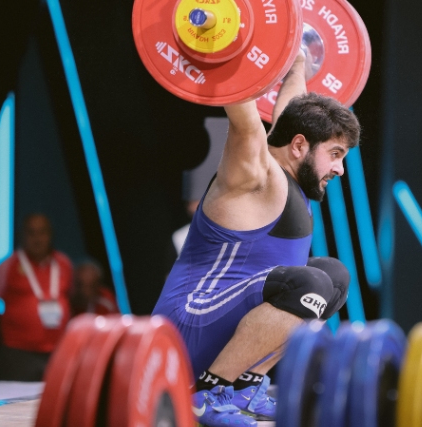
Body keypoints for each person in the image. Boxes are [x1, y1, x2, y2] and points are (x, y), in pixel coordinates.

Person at [152, 51, 357, 426]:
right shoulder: (253, 173)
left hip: (223, 326)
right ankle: (206, 395)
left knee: (334, 278)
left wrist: (298, 62)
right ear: (299, 147)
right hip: (188, 325)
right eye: (336, 154)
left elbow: (292, 107)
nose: (340, 168)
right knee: (307, 283)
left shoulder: (292, 170)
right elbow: (244, 116)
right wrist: (227, 46)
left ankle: (244, 385)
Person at [0, 214, 73, 381]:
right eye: (31, 233)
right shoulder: (8, 265)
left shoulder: (64, 263)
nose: (37, 238)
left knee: (52, 403)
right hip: (18, 353)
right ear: (22, 236)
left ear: (50, 235)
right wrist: (11, 327)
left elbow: (70, 300)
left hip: (57, 350)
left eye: (42, 232)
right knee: (15, 404)